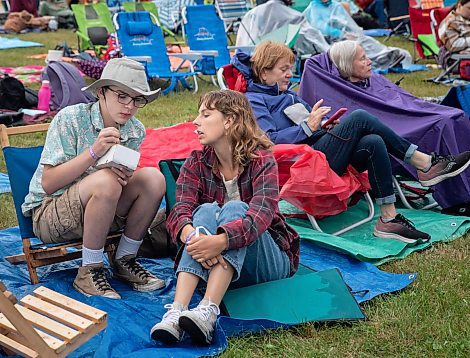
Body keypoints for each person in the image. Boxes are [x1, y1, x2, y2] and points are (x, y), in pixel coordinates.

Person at [232, 41, 470, 244]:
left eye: (290, 68)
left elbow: (311, 125)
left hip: (319, 152)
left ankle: (388, 219)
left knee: (373, 141)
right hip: (303, 165)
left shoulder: (287, 95)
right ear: (264, 72)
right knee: (359, 117)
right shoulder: (253, 101)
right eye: (283, 69)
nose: (289, 74)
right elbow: (268, 143)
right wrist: (308, 127)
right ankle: (423, 162)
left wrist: (325, 123)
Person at [150, 90, 299, 345]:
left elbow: (260, 217)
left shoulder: (262, 160)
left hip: (266, 262)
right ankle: (177, 311)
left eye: (206, 115)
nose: (196, 121)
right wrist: (194, 237)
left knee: (236, 209)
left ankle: (208, 310)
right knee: (205, 211)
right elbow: (179, 211)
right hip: (210, 260)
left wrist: (220, 242)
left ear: (229, 120)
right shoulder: (197, 161)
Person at [298, 40, 470, 220]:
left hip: (403, 120)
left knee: (457, 117)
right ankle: (457, 200)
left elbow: (401, 99)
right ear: (348, 65)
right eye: (362, 58)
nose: (369, 61)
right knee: (440, 125)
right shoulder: (334, 90)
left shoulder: (371, 79)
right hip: (391, 133)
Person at [22, 58, 166, 299]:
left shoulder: (134, 129)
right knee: (106, 180)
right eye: (122, 95)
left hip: (102, 210)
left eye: (137, 99)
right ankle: (89, 270)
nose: (129, 106)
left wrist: (125, 175)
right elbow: (48, 183)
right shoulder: (70, 118)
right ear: (101, 92)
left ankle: (124, 260)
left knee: (153, 178)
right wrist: (93, 153)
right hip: (50, 215)